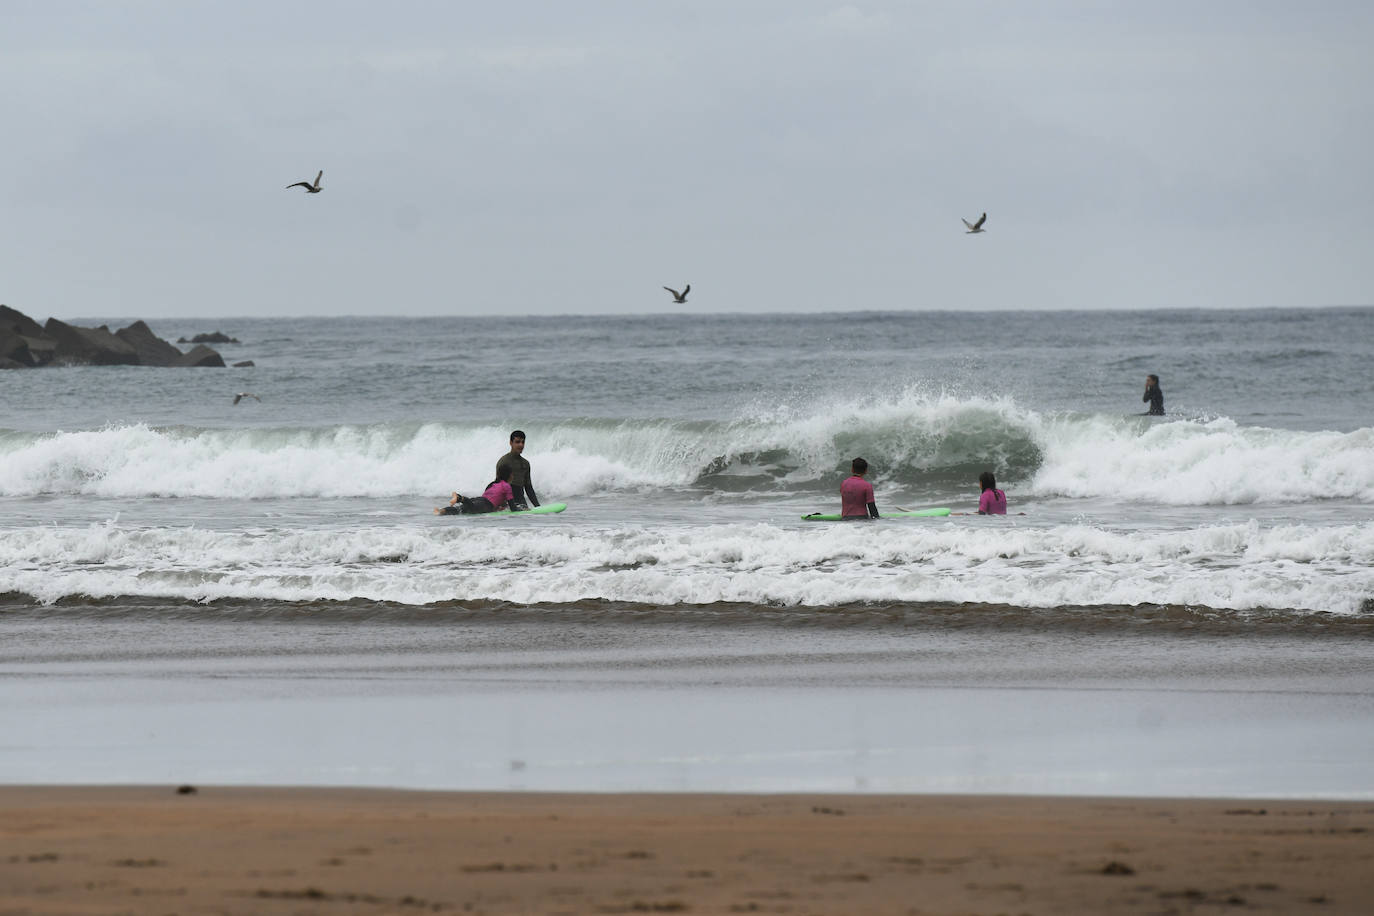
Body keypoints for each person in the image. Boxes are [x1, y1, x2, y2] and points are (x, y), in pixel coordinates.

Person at [435, 465, 515, 515]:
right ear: (509, 475)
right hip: (485, 504)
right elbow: (513, 507)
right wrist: (520, 509)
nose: (513, 476)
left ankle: (441, 511)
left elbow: (494, 498)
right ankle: (459, 498)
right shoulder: (507, 486)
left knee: (460, 510)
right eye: (512, 474)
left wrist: (500, 507)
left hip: (479, 500)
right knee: (472, 509)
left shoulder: (493, 484)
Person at [496, 430, 540, 511]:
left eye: (523, 442)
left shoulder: (525, 463)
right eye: (517, 442)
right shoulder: (503, 462)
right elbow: (498, 486)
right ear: (511, 443)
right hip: (506, 504)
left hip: (521, 502)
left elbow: (528, 488)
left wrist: (538, 507)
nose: (521, 445)